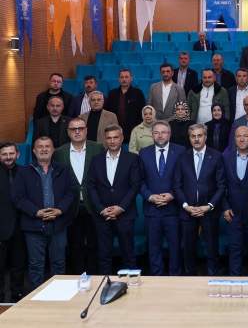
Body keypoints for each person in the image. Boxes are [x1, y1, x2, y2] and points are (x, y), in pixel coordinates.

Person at [11, 137, 77, 287]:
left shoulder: (64, 169)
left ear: (53, 150)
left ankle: (59, 295)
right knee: (35, 265)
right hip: (33, 225)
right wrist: (36, 212)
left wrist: (60, 210)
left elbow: (71, 191)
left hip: (58, 224)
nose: (44, 149)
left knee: (59, 263)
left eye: (47, 146)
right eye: (40, 147)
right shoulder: (24, 172)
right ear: (34, 151)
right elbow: (18, 197)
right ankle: (37, 297)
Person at [87, 125, 142, 275]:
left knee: (128, 255)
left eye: (115, 137)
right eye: (109, 138)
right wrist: (101, 209)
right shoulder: (96, 160)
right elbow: (91, 186)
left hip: (125, 215)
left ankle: (131, 285)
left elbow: (135, 186)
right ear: (105, 140)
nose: (112, 141)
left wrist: (121, 208)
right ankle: (104, 284)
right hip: (102, 216)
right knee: (103, 255)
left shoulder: (132, 159)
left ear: (122, 138)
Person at [51, 117, 103, 275]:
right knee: (75, 246)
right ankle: (78, 278)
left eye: (81, 128)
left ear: (86, 130)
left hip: (93, 205)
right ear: (68, 132)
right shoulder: (59, 152)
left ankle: (93, 278)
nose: (77, 131)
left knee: (95, 245)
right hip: (71, 207)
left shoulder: (98, 148)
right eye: (73, 129)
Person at [174, 124, 226, 276]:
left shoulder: (217, 156)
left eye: (199, 136)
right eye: (193, 136)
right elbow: (177, 186)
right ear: (189, 138)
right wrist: (186, 206)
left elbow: (221, 186)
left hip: (209, 211)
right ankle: (190, 280)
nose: (196, 139)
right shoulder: (182, 157)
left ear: (206, 137)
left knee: (212, 249)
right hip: (187, 211)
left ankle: (212, 278)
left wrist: (209, 206)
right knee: (188, 250)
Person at [139, 120, 185, 276]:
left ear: (169, 134)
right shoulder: (144, 153)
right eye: (156, 132)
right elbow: (140, 180)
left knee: (175, 249)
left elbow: (185, 178)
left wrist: (173, 195)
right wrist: (150, 196)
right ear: (152, 134)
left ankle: (175, 279)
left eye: (163, 132)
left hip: (173, 211)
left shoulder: (181, 151)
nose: (160, 135)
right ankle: (156, 280)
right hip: (152, 211)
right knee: (154, 249)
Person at [222, 127, 248, 276]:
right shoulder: (226, 158)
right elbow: (221, 185)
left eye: (245, 136)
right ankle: (235, 281)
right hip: (233, 213)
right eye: (238, 136)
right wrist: (224, 207)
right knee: (235, 250)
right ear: (234, 139)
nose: (241, 139)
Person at [0, 143, 26, 302]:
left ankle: (17, 298)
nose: (8, 157)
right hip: (1, 228)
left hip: (21, 227)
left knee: (19, 265)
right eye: (4, 154)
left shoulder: (25, 171)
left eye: (11, 153)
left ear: (18, 154)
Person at [104, 68, 145, 143]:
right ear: (119, 79)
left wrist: (138, 129)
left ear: (131, 78)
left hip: (133, 130)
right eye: (122, 77)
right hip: (115, 129)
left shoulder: (138, 93)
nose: (124, 79)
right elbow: (108, 112)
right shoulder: (112, 93)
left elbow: (141, 113)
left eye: (126, 77)